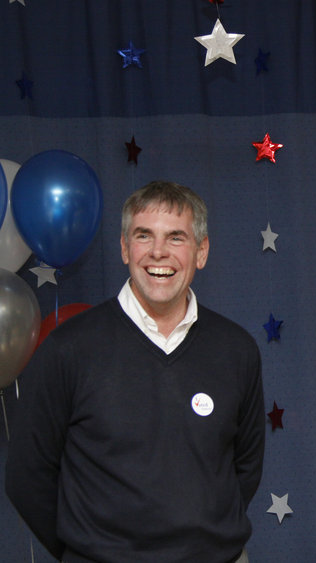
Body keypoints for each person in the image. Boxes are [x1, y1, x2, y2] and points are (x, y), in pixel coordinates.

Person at [5, 181, 266, 563]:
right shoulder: (68, 348)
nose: (158, 252)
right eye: (144, 236)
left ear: (201, 252)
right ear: (125, 248)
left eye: (176, 238)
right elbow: (27, 476)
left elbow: (246, 468)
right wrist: (85, 551)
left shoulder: (237, 349)